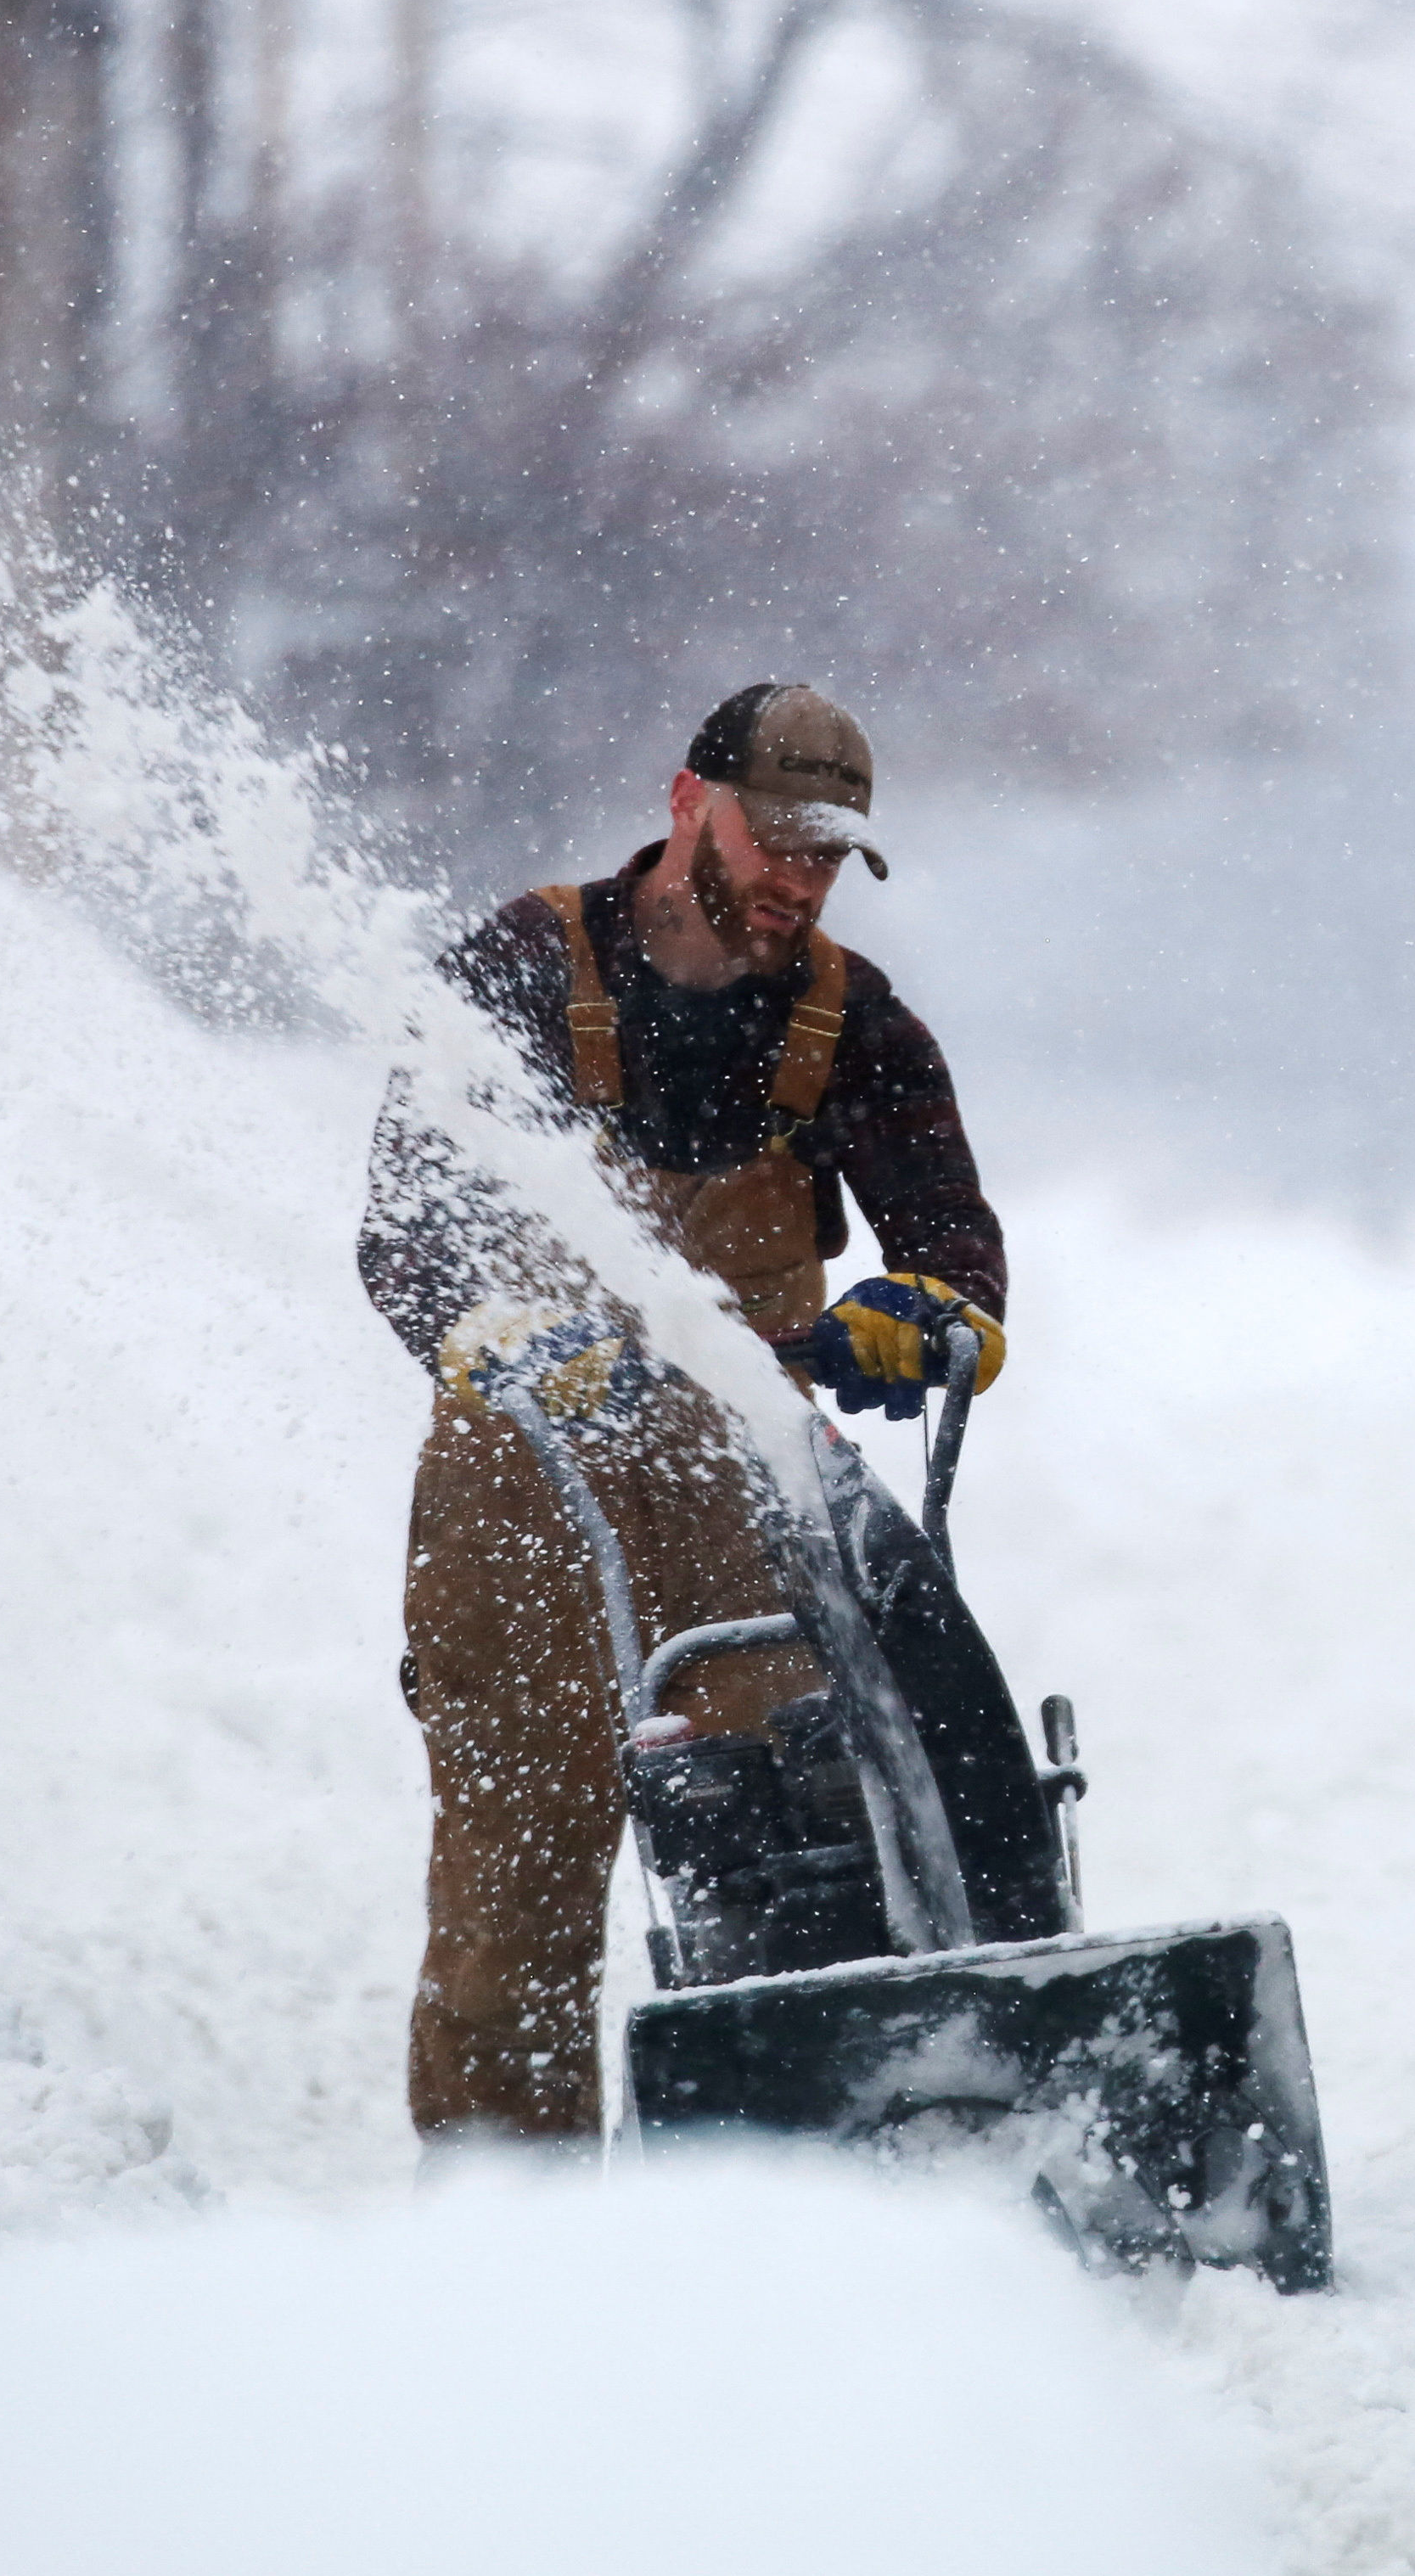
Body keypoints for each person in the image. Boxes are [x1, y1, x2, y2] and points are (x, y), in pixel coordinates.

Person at [356, 682, 1041, 2144]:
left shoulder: (856, 1023)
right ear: (689, 803)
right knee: (514, 1896)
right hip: (527, 1496)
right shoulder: (525, 963)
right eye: (775, 838)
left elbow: (955, 1246)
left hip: (752, 1499)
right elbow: (406, 1226)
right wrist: (494, 1322)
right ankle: (504, 2238)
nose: (799, 878)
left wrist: (925, 1312)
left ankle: (800, 2202)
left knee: (808, 1843)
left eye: (830, 855)